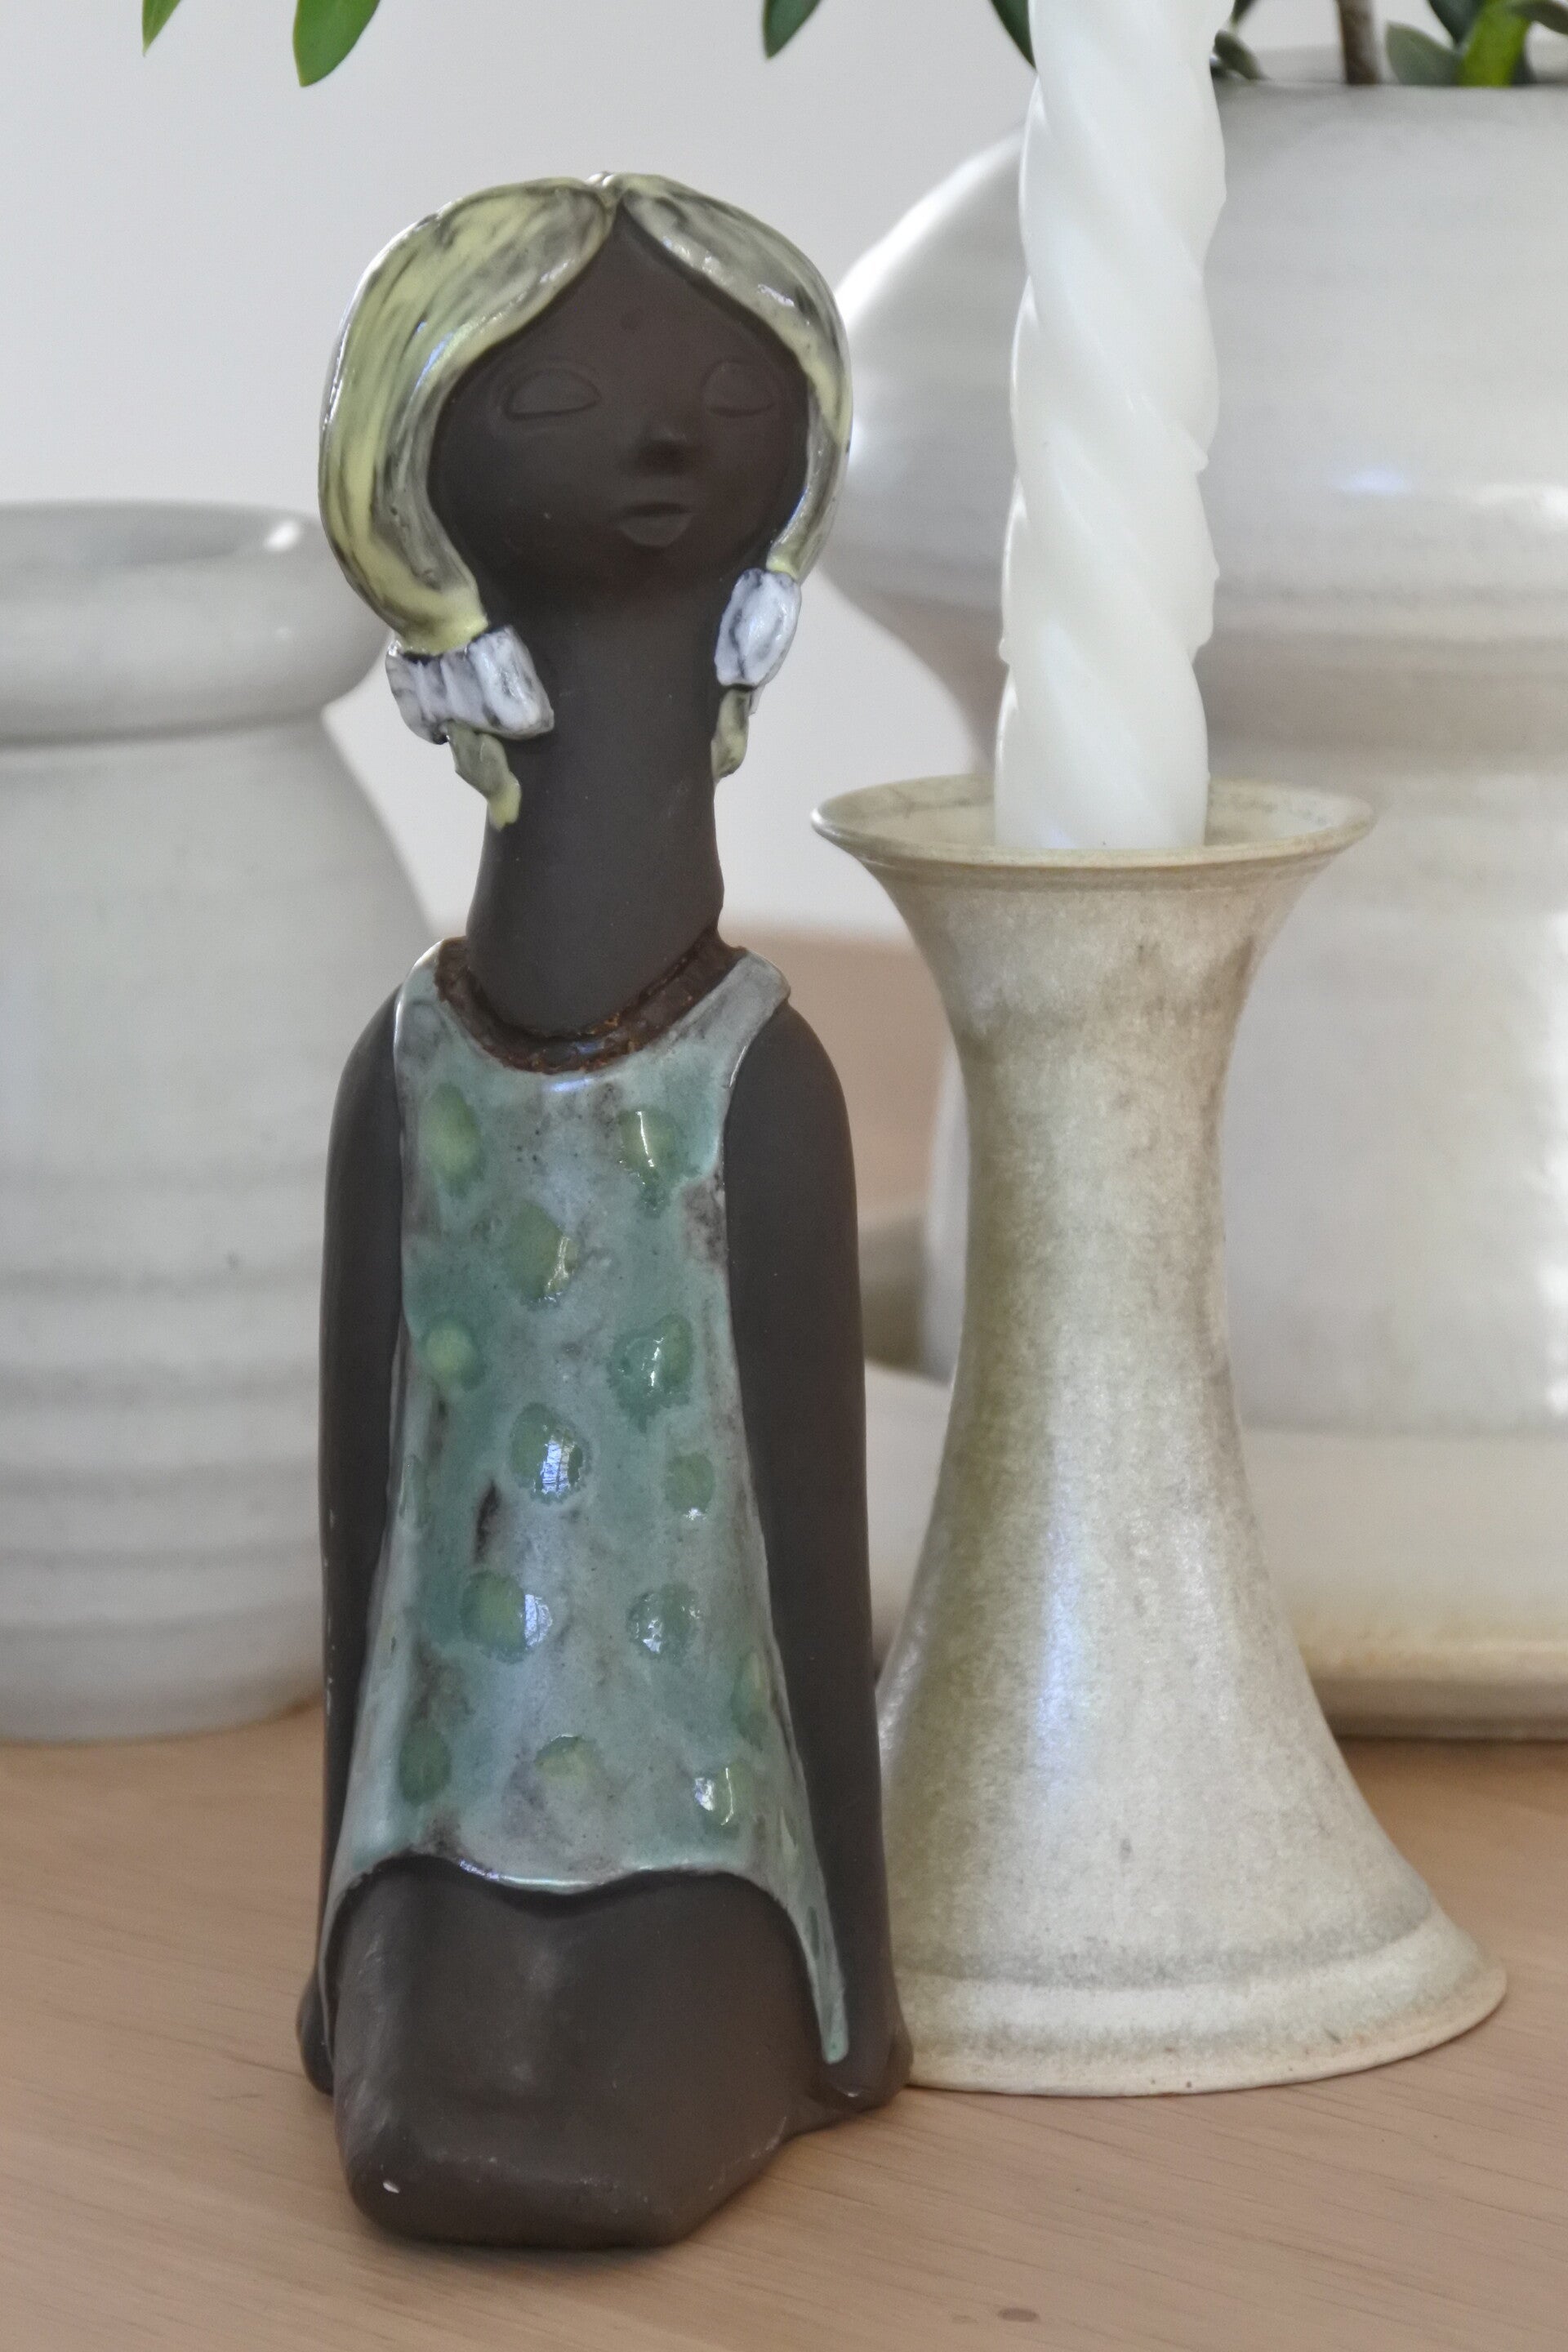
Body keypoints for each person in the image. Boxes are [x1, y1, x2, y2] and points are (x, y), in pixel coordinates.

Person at [299, 174, 908, 2249]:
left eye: (720, 406)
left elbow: (810, 1556)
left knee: (605, 2110)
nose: (656, 441)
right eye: (557, 406)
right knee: (431, 2119)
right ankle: (415, 1967)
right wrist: (337, 1943)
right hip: (438, 1826)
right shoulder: (410, 1076)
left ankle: (741, 1999)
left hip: (704, 1829)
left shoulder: (759, 1083)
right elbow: (369, 1535)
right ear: (423, 476)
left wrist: (852, 1983)